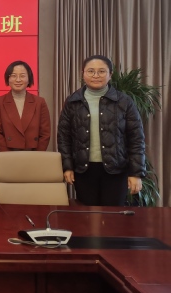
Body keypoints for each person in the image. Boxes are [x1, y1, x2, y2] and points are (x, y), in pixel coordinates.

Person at [57, 55, 146, 206]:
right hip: (83, 170)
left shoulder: (124, 101)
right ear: (83, 74)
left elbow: (136, 138)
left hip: (116, 170)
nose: (96, 75)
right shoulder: (72, 102)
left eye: (101, 71)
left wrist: (136, 173)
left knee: (113, 216)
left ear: (110, 74)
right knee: (87, 215)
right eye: (91, 71)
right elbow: (64, 137)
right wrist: (67, 167)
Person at [0, 60, 50, 152]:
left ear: (29, 78)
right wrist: (6, 156)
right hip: (8, 155)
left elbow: (45, 133)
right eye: (13, 76)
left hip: (34, 154)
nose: (18, 80)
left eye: (22, 76)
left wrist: (37, 155)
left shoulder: (39, 102)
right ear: (8, 78)